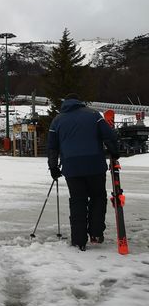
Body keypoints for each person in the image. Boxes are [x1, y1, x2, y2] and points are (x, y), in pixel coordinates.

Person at [47, 93, 119, 251]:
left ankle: (79, 240)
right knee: (98, 197)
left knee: (78, 201)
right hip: (95, 165)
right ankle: (96, 234)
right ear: (79, 102)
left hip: (72, 167)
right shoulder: (93, 115)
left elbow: (52, 147)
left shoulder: (57, 120)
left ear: (65, 103)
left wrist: (53, 167)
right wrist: (114, 152)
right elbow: (108, 135)